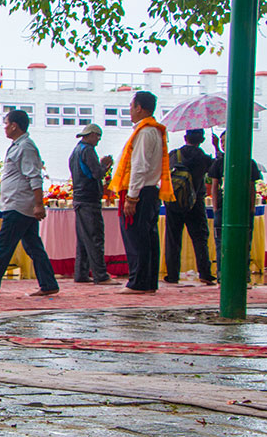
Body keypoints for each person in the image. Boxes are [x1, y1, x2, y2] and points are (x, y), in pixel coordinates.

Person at [0, 109, 59, 297]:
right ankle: (48, 283)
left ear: (14, 125)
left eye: (6, 123)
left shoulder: (26, 147)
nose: (4, 127)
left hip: (19, 205)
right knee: (33, 246)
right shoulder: (17, 146)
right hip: (16, 202)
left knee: (4, 245)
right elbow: (15, 174)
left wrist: (39, 204)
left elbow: (34, 177)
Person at [108, 91, 173, 294]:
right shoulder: (152, 130)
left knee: (136, 238)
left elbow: (139, 166)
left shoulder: (145, 132)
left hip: (141, 192)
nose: (129, 110)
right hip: (149, 191)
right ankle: (147, 281)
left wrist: (132, 197)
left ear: (139, 108)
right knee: (147, 237)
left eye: (131, 105)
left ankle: (138, 281)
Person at [164, 129, 215, 285]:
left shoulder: (175, 154)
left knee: (173, 239)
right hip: (195, 202)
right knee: (200, 239)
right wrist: (216, 147)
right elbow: (219, 168)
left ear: (185, 138)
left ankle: (172, 275)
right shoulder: (204, 158)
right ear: (202, 139)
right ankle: (205, 273)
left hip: (174, 202)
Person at [208, 130, 262, 275]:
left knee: (244, 242)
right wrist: (215, 207)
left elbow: (252, 187)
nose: (224, 145)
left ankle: (244, 275)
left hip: (243, 208)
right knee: (221, 243)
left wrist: (251, 208)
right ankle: (221, 274)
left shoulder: (249, 163)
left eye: (226, 141)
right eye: (222, 142)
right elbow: (214, 186)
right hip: (222, 208)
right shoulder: (219, 163)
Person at [69, 123, 116, 284]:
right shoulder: (88, 150)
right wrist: (105, 165)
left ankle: (81, 273)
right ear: (91, 135)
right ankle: (101, 275)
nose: (98, 140)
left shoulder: (76, 151)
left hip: (79, 198)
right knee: (95, 237)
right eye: (98, 137)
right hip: (89, 199)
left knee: (83, 239)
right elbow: (97, 174)